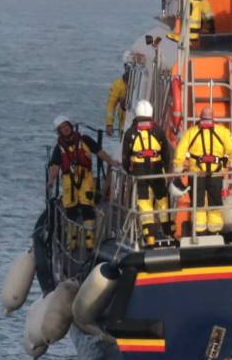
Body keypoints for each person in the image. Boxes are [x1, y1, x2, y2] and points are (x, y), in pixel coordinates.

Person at [47, 116, 118, 251]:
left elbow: (100, 152)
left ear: (71, 126)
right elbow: (55, 166)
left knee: (87, 208)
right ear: (59, 132)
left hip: (85, 177)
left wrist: (112, 163)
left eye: (66, 126)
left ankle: (89, 241)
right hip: (69, 181)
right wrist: (51, 181)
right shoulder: (58, 148)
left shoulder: (84, 140)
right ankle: (71, 242)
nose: (65, 129)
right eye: (61, 128)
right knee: (70, 210)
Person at [173, 105, 232, 235]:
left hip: (197, 174)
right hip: (216, 174)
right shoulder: (223, 132)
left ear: (200, 118)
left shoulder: (191, 132)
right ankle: (214, 231)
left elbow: (180, 150)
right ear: (214, 118)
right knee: (215, 203)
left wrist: (178, 166)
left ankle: (199, 231)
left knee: (198, 204)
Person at [122, 99, 174, 247]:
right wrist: (165, 166)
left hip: (140, 173)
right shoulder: (158, 131)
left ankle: (149, 238)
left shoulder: (130, 133)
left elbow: (125, 157)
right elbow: (166, 154)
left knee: (145, 204)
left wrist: (129, 170)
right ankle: (168, 233)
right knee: (163, 201)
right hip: (157, 169)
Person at [105, 51, 131, 137]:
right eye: (128, 68)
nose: (129, 71)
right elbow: (111, 105)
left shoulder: (142, 83)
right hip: (124, 125)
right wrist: (109, 124)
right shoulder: (117, 85)